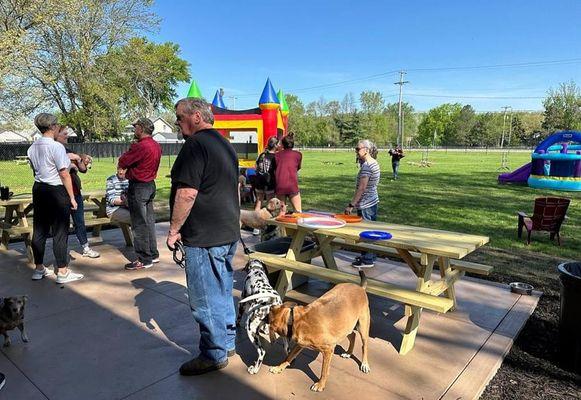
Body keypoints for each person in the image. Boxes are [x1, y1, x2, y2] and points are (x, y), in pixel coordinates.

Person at [167, 97, 240, 376]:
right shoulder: (225, 144)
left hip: (205, 236)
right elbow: (235, 187)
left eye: (179, 117)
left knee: (205, 297)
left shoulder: (195, 145)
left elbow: (187, 193)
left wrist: (174, 230)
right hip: (226, 231)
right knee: (221, 290)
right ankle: (227, 342)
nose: (177, 122)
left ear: (196, 117)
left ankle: (213, 353)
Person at [27, 113, 84, 283]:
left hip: (39, 189)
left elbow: (35, 170)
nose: (59, 127)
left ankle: (39, 269)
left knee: (40, 230)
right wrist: (72, 198)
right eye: (57, 125)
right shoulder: (56, 147)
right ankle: (63, 272)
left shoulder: (32, 147)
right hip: (56, 190)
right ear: (52, 127)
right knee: (60, 231)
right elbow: (64, 174)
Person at [118, 117, 162, 270]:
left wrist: (130, 149)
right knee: (149, 221)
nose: (134, 129)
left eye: (135, 127)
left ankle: (144, 259)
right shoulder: (156, 145)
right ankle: (153, 254)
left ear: (141, 128)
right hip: (150, 185)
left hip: (138, 187)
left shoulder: (140, 146)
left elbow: (123, 161)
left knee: (139, 223)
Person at [55, 126, 100, 258]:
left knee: (79, 221)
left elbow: (83, 170)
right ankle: (62, 253)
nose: (67, 136)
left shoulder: (69, 150)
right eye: (64, 134)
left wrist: (81, 159)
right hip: (60, 193)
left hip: (75, 192)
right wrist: (69, 165)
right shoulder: (54, 150)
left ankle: (85, 248)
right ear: (56, 135)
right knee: (61, 224)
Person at [345, 139, 380, 267]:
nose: (356, 151)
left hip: (365, 204)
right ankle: (371, 255)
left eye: (357, 149)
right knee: (371, 230)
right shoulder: (374, 162)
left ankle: (367, 259)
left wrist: (351, 205)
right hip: (373, 201)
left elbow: (362, 188)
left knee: (366, 232)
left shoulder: (367, 166)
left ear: (366, 150)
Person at [274, 132, 302, 212]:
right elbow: (298, 167)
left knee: (282, 212)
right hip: (292, 185)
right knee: (298, 211)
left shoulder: (276, 155)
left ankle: (281, 225)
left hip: (280, 185)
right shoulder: (298, 155)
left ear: (282, 144)